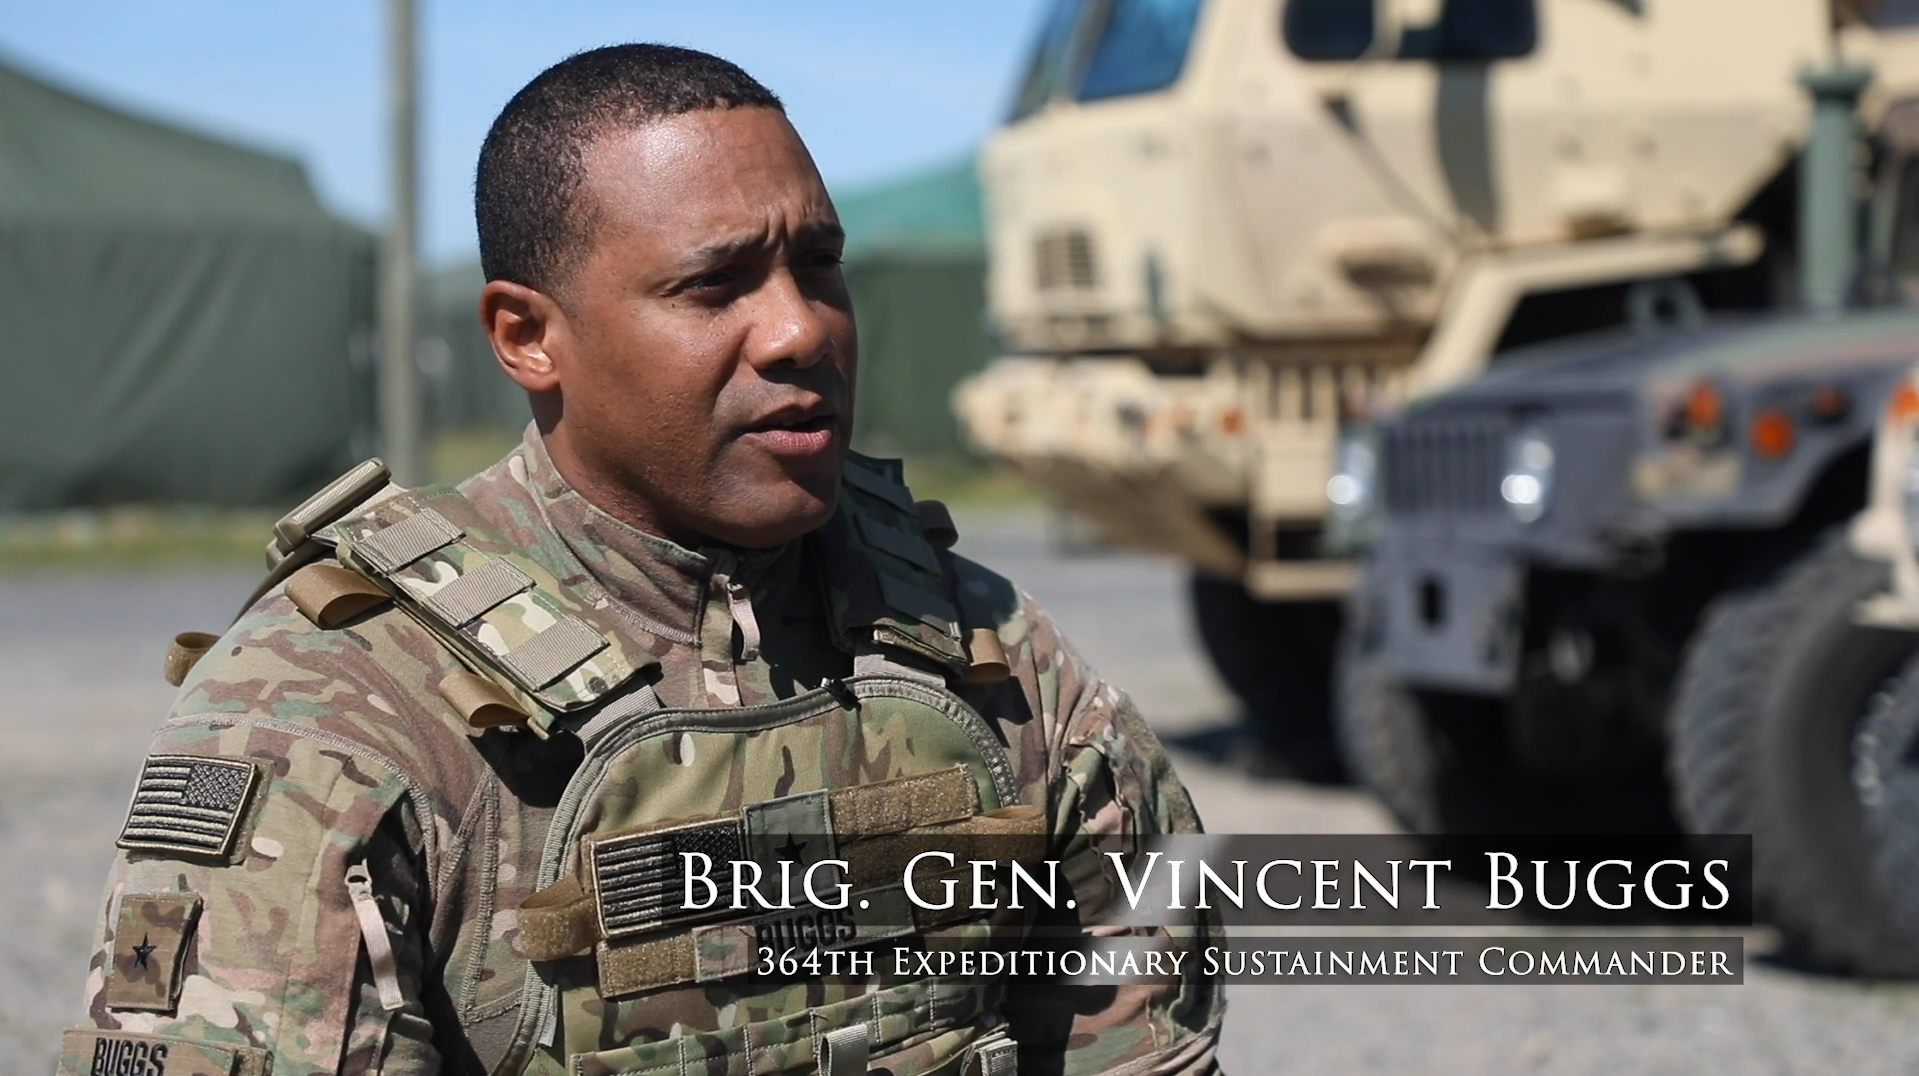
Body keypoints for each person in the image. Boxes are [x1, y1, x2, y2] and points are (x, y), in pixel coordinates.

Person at [58, 45, 1222, 1076]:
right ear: (528, 335)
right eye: (713, 284)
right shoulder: (339, 709)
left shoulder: (983, 649)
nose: (800, 328)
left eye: (818, 262)